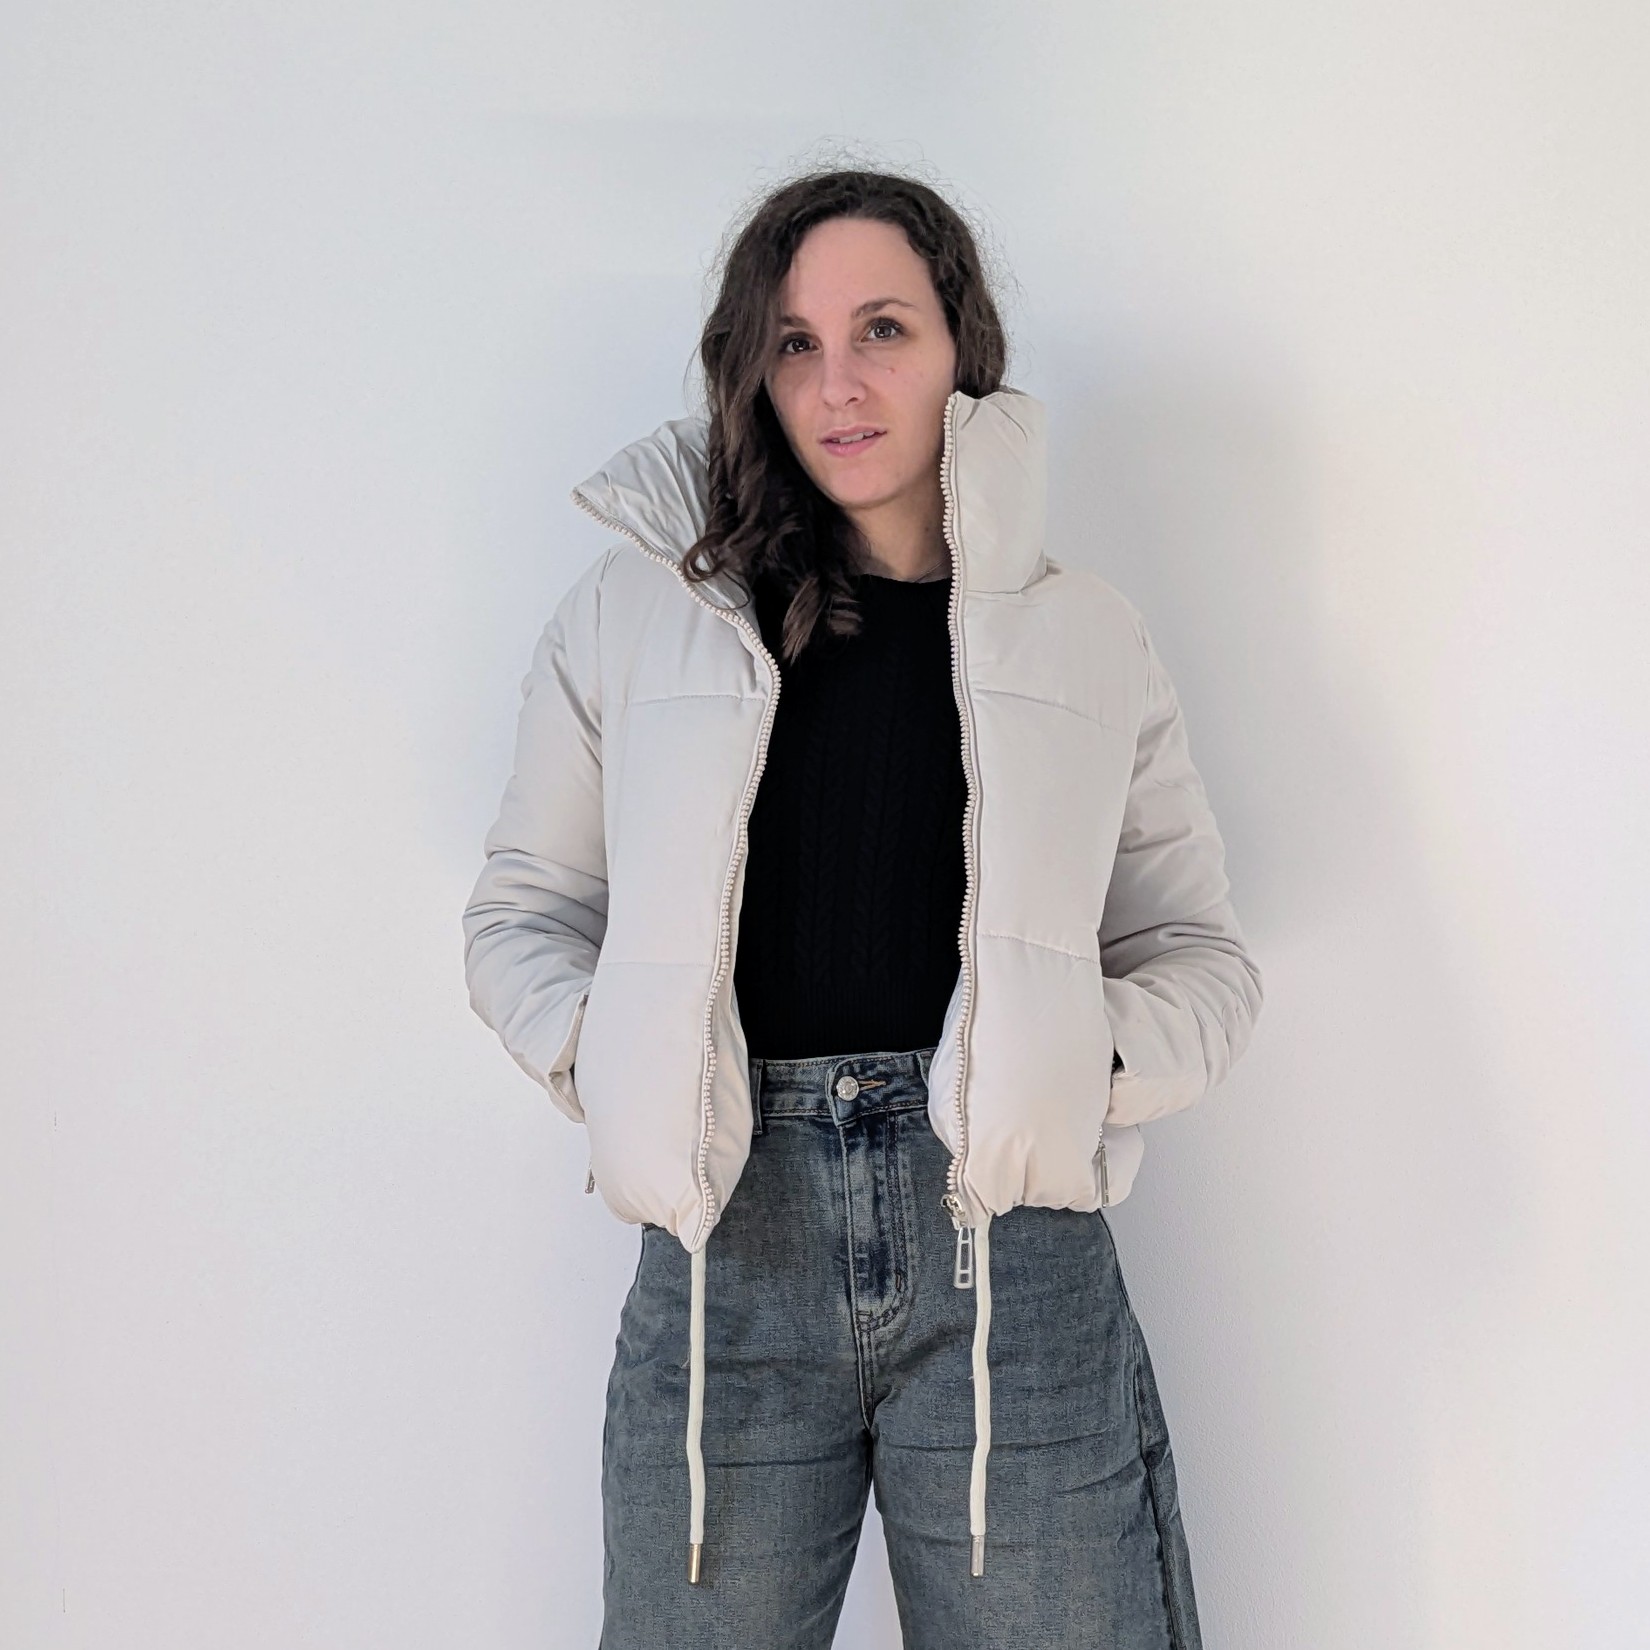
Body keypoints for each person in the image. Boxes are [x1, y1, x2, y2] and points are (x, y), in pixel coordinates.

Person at [462, 166, 1264, 1650]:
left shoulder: (1085, 636)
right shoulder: (633, 617)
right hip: (727, 1247)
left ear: (961, 347)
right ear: (750, 371)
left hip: (1006, 1248)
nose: (837, 382)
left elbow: (1197, 954)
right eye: (794, 341)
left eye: (882, 329)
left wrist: (1069, 1066)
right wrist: (620, 1063)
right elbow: (523, 909)